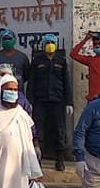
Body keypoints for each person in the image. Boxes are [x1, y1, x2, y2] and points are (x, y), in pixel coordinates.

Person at [28, 39, 71, 170]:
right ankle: (37, 160)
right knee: (38, 130)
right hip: (40, 100)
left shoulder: (61, 61)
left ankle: (59, 160)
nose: (50, 45)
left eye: (52, 42)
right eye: (47, 43)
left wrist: (69, 102)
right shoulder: (37, 61)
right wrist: (29, 101)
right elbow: (31, 82)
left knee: (60, 130)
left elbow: (67, 83)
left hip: (58, 101)